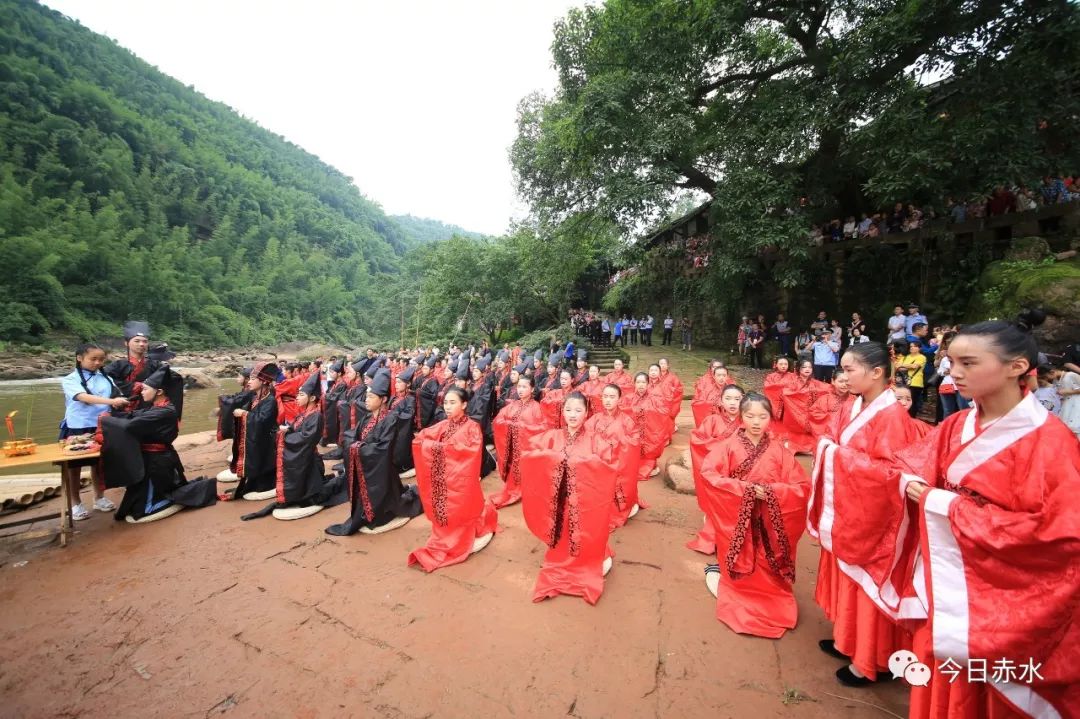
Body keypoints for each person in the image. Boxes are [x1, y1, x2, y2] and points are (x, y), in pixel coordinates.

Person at [899, 311, 1079, 717]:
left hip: (1007, 593)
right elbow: (917, 464)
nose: (954, 372)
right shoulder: (957, 422)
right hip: (951, 575)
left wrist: (945, 505)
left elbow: (1060, 540)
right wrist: (910, 485)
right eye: (952, 361)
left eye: (968, 363)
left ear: (1016, 367)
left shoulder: (1052, 443)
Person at [806, 342, 928, 687]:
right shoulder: (856, 404)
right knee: (850, 580)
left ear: (876, 373)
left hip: (875, 518)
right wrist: (832, 450)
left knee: (869, 585)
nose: (843, 378)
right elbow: (831, 438)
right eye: (842, 370)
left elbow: (891, 473)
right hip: (852, 509)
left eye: (849, 370)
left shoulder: (892, 416)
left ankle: (872, 659)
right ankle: (849, 641)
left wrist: (836, 455)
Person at [697, 393, 809, 638]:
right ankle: (741, 589)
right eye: (750, 416)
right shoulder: (727, 447)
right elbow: (710, 476)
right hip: (738, 517)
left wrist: (771, 492)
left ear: (771, 418)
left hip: (770, 518)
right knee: (742, 556)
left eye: (763, 416)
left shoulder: (780, 451)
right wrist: (745, 491)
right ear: (741, 417)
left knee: (769, 561)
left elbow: (801, 487)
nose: (756, 422)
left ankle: (770, 594)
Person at [520, 393, 618, 604]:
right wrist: (554, 460)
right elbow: (529, 453)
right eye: (568, 410)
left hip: (584, 505)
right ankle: (560, 561)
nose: (572, 415)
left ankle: (584, 564)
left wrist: (580, 464)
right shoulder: (551, 436)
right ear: (562, 411)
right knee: (560, 539)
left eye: (578, 410)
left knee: (584, 537)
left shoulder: (596, 441)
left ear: (586, 413)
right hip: (557, 504)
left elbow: (608, 467)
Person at [98, 366, 217, 523]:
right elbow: (133, 415)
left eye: (145, 389)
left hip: (156, 463)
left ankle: (179, 499)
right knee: (132, 505)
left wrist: (105, 418)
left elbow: (129, 425)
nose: (141, 392)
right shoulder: (157, 407)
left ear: (159, 392)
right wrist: (116, 413)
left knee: (142, 510)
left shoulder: (164, 411)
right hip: (152, 459)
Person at [408, 387, 498, 572]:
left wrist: (438, 448)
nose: (447, 407)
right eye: (446, 403)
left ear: (464, 404)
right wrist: (438, 447)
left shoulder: (472, 427)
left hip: (461, 483)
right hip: (444, 480)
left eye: (452, 403)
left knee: (459, 510)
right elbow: (420, 440)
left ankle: (458, 535)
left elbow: (470, 453)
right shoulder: (443, 425)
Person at [325, 369, 423, 536]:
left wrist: (359, 448)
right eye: (367, 396)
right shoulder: (367, 418)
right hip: (367, 466)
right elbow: (351, 435)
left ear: (383, 399)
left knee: (383, 503)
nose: (366, 400)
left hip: (381, 469)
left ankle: (382, 514)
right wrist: (354, 445)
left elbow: (383, 447)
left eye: (371, 397)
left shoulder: (390, 418)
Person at [60, 342, 129, 520]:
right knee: (74, 468)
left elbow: (115, 394)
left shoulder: (105, 378)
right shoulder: (70, 379)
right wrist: (112, 402)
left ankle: (99, 497)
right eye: (93, 359)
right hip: (79, 426)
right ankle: (75, 503)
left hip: (103, 423)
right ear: (79, 358)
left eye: (101, 359)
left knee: (99, 464)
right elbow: (83, 397)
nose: (98, 363)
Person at [686, 384, 745, 555]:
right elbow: (698, 440)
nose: (732, 403)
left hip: (740, 473)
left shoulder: (747, 421)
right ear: (720, 400)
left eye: (737, 399)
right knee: (718, 504)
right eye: (728, 398)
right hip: (718, 473)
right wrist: (725, 448)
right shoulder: (711, 421)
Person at [585, 384, 643, 528]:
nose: (608, 400)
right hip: (598, 465)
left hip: (617, 465)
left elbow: (634, 442)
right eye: (605, 396)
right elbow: (585, 438)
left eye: (612, 397)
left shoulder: (627, 421)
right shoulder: (595, 419)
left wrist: (610, 446)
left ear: (619, 399)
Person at [223, 362, 281, 502]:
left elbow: (262, 421)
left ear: (263, 381)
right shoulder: (255, 398)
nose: (249, 382)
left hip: (265, 441)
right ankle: (250, 484)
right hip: (256, 439)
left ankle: (263, 486)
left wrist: (244, 414)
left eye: (253, 379)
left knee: (262, 464)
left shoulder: (270, 401)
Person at [489, 375, 546, 508]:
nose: (520, 390)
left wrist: (521, 428)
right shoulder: (512, 405)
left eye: (524, 387)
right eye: (519, 386)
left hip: (525, 450)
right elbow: (498, 420)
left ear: (532, 389)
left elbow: (543, 428)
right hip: (511, 447)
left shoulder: (537, 407)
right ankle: (513, 487)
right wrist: (511, 426)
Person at [103, 321, 163, 411]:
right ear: (126, 343)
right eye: (137, 341)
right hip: (123, 406)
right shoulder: (118, 365)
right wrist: (134, 386)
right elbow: (105, 380)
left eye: (145, 341)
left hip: (149, 408)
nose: (141, 344)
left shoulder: (155, 364)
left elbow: (165, 381)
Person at [627, 372, 670, 479]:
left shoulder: (655, 398)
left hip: (648, 432)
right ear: (634, 384)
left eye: (643, 382)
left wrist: (646, 411)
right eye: (638, 382)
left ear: (648, 384)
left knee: (648, 451)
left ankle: (650, 466)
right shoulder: (628, 398)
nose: (641, 385)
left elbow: (664, 411)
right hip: (634, 433)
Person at [894, 340, 927, 417]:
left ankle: (911, 419)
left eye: (915, 346)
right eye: (911, 346)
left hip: (915, 383)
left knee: (912, 403)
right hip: (903, 382)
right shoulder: (906, 357)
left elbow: (914, 366)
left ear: (919, 348)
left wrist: (902, 365)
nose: (912, 348)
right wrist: (905, 366)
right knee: (901, 401)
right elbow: (897, 367)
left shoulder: (921, 357)